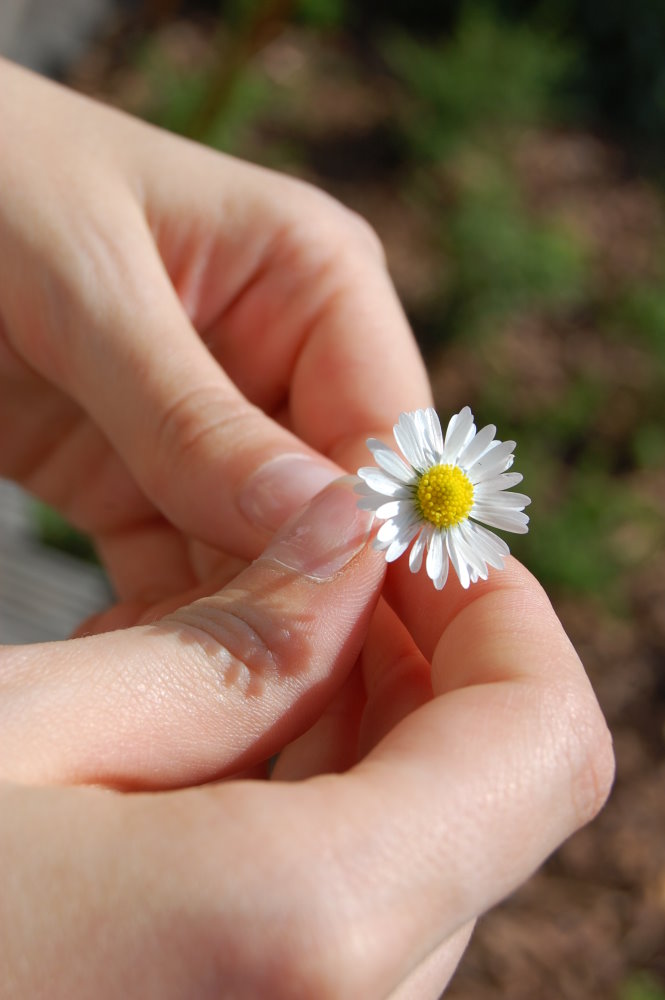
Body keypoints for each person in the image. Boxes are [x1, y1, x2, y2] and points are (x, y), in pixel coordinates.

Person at [0, 57, 614, 998]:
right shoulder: (406, 488)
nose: (450, 493)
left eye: (452, 494)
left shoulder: (438, 502)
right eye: (443, 488)